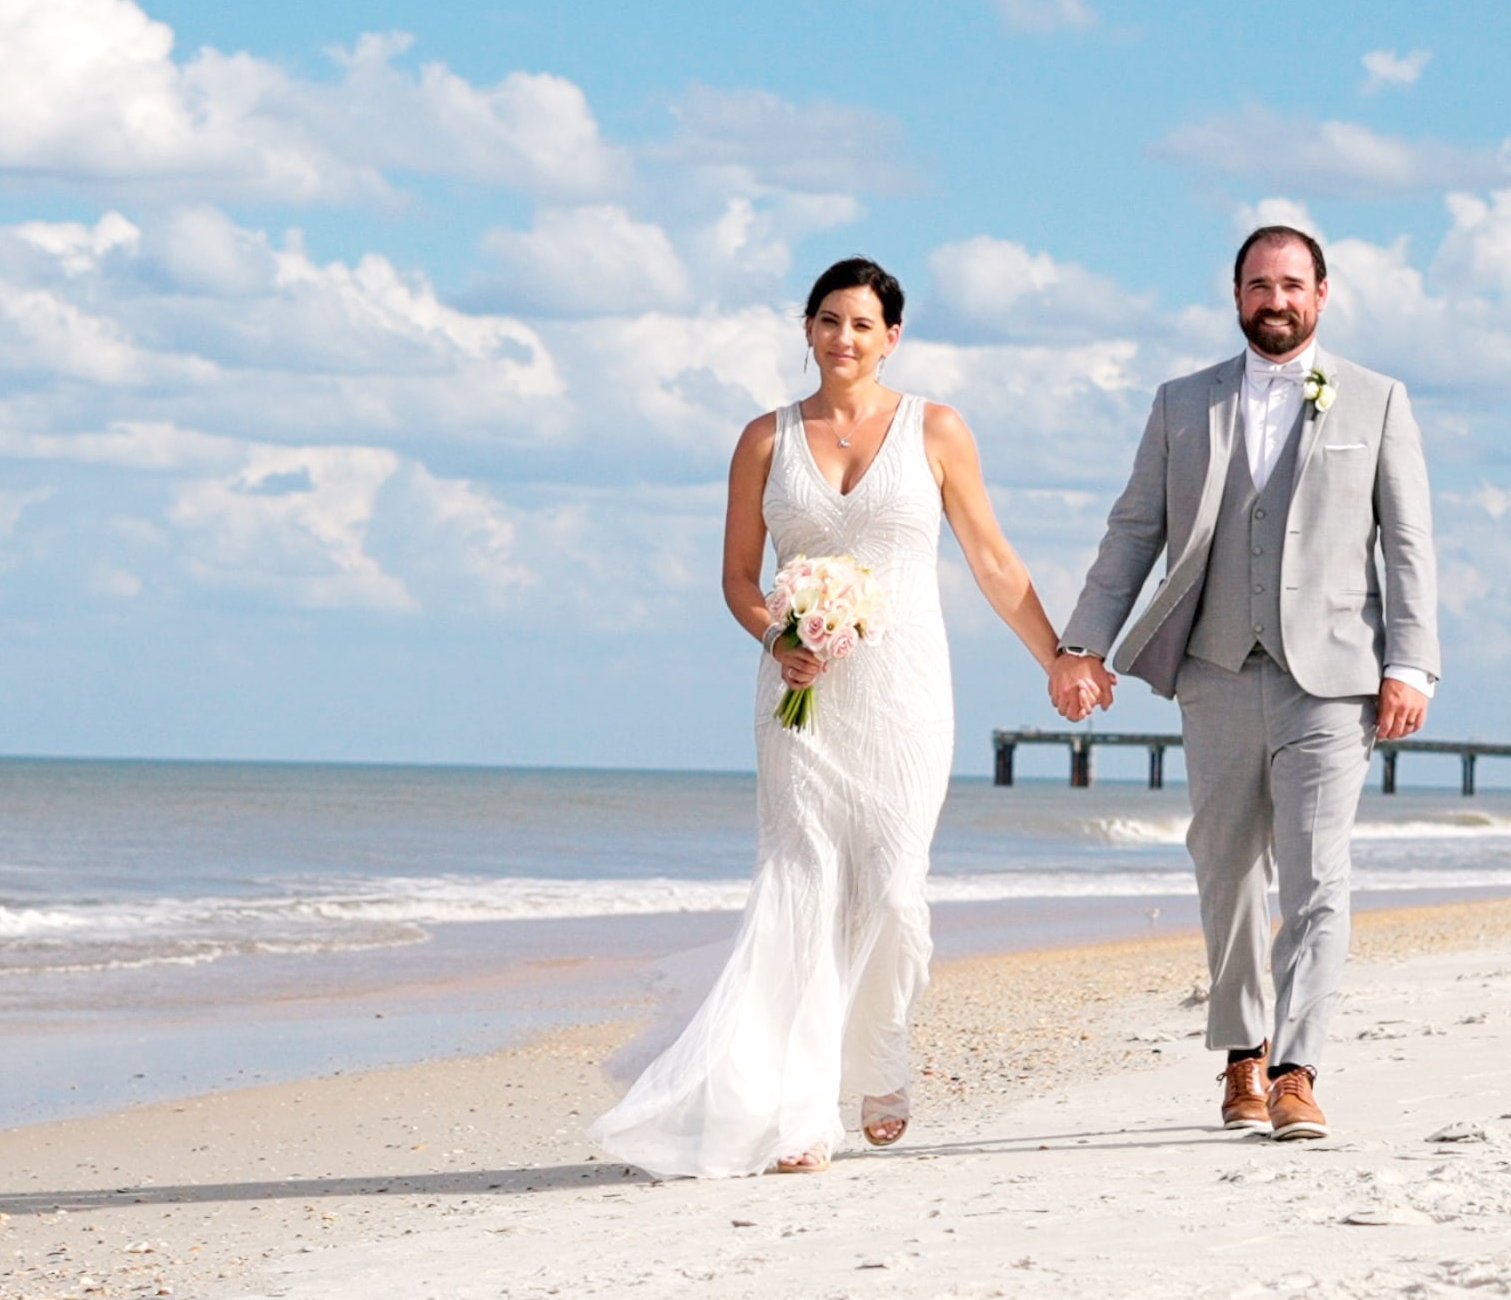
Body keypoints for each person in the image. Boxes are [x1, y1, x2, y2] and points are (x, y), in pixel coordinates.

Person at [592, 257, 1078, 1178]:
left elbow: (993, 561)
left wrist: (1057, 658)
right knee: (805, 889)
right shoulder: (764, 440)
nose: (842, 338)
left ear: (892, 336)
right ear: (807, 329)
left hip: (904, 694)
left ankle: (883, 1054)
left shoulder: (936, 429)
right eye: (827, 320)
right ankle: (803, 1113)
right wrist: (778, 638)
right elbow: (739, 579)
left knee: (893, 887)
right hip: (800, 696)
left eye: (861, 323)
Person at [1052, 225, 1439, 1143]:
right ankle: (1243, 1057)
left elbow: (1408, 539)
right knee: (1225, 871)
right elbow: (1132, 533)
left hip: (1334, 679)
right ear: (1236, 297)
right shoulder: (1183, 404)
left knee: (1317, 879)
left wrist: (1410, 661)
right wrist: (1082, 644)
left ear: (1323, 293)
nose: (1277, 300)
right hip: (1215, 670)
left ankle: (1299, 1069)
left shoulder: (1379, 400)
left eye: (1293, 284)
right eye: (1260, 285)